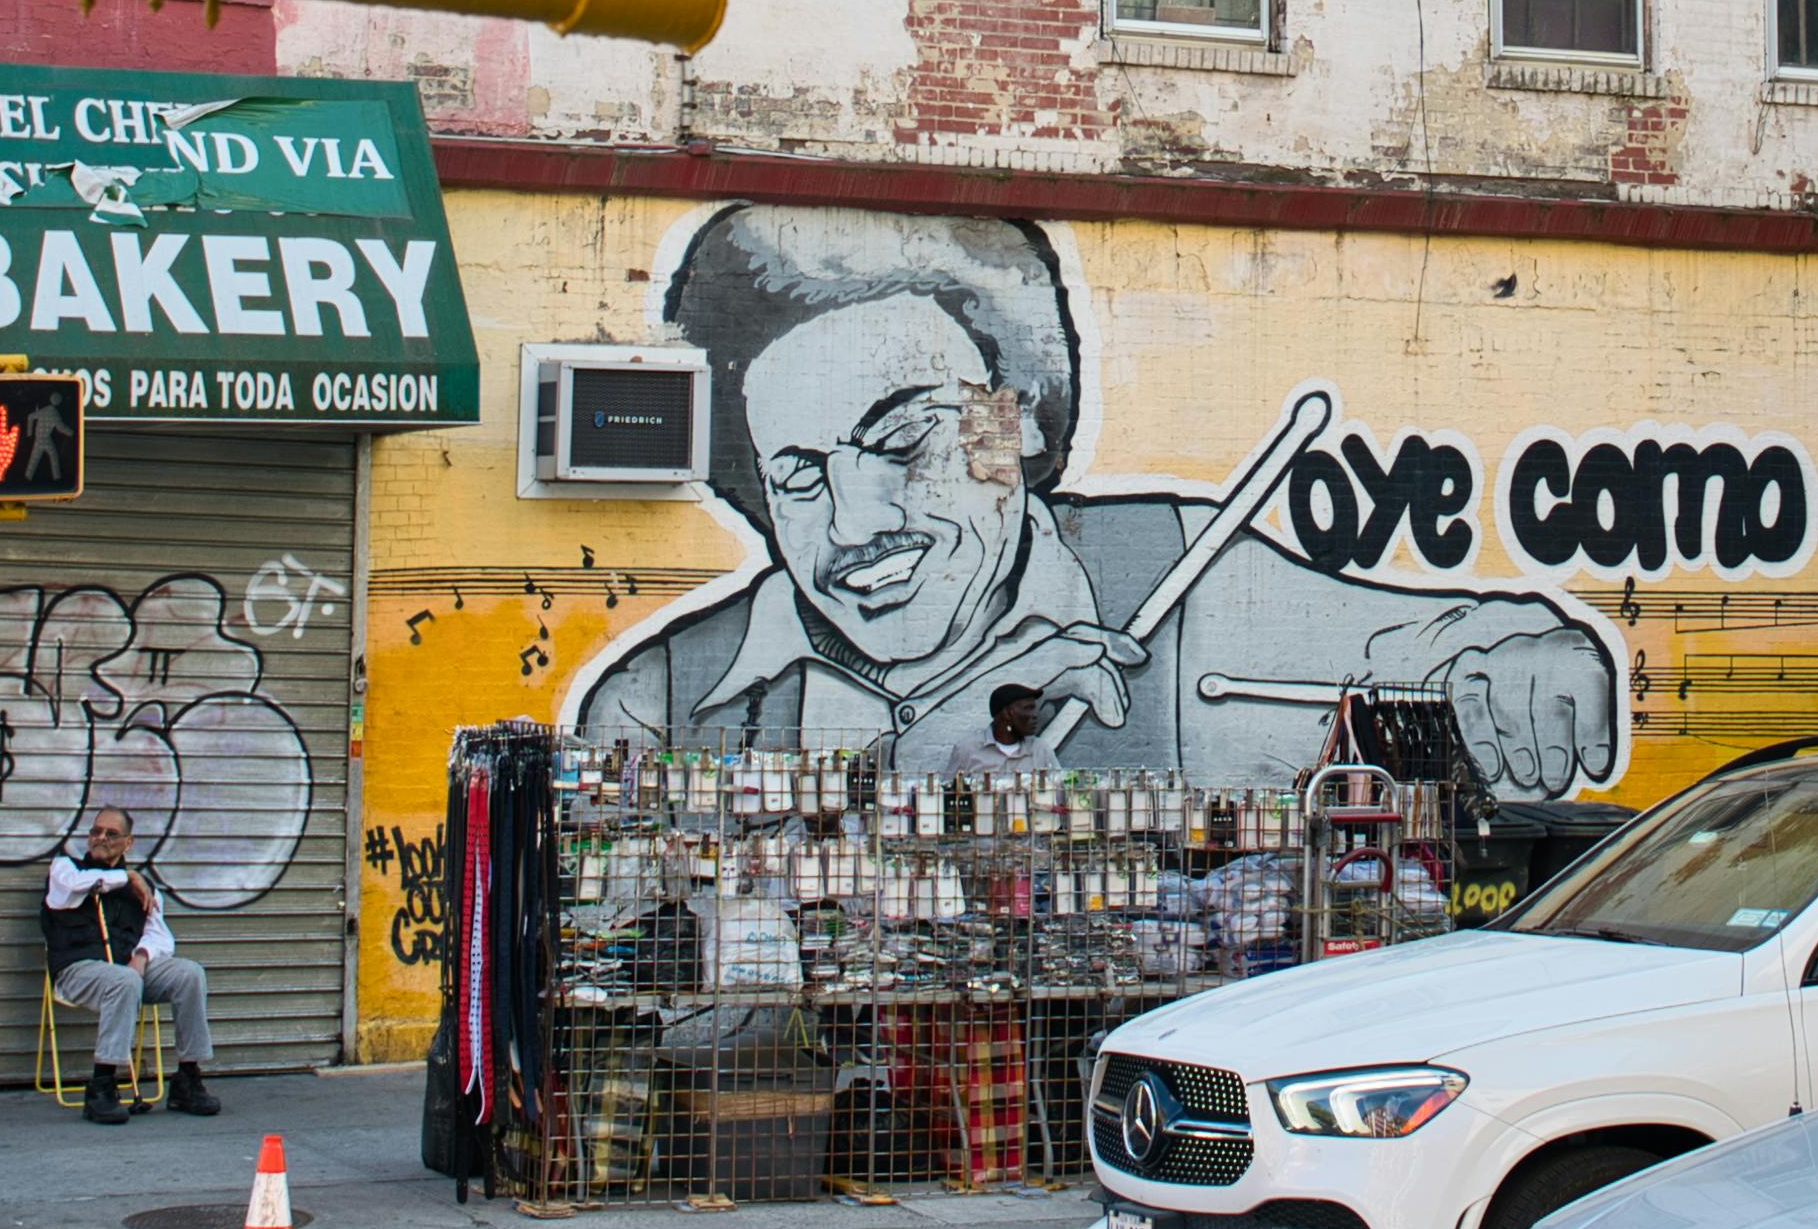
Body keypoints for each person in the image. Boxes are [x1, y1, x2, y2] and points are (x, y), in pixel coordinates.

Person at [564, 202, 1623, 799]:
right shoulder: (665, 700)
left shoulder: (1175, 576)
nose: (853, 523)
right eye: (798, 473)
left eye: (903, 437)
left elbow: (1440, 640)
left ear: (1015, 423)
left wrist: (1533, 658)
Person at [42, 803, 218, 1124]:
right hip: (77, 971)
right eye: (96, 831)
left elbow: (160, 937)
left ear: (128, 843)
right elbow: (77, 886)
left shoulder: (144, 889)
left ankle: (188, 1078)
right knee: (123, 981)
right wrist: (127, 877)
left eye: (111, 834)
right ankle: (102, 1085)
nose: (101, 838)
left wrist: (141, 956)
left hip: (128, 972)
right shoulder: (65, 868)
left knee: (189, 974)